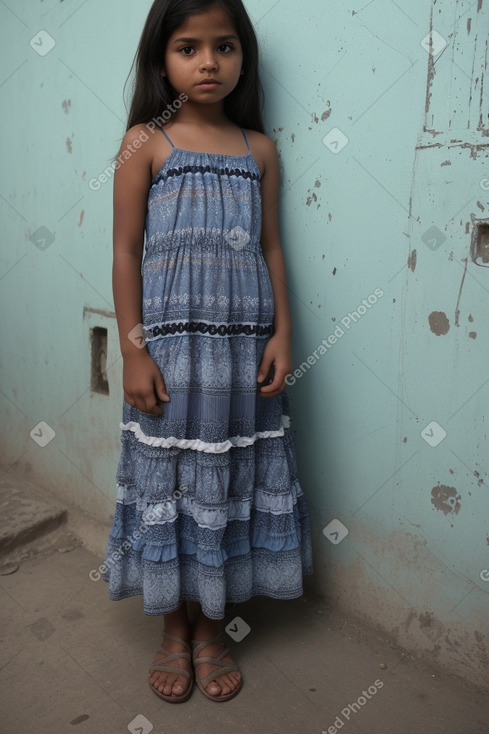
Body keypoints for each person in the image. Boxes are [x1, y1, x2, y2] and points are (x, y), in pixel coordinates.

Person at [102, 0, 313, 704]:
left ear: (242, 57)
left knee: (222, 488)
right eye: (187, 47)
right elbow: (124, 252)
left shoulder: (259, 151)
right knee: (169, 484)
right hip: (169, 354)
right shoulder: (146, 143)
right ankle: (171, 627)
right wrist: (134, 351)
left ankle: (211, 629)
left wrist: (284, 333)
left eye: (224, 47)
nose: (207, 62)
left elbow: (272, 247)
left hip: (241, 355)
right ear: (160, 59)